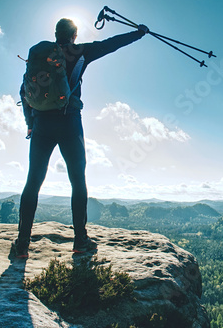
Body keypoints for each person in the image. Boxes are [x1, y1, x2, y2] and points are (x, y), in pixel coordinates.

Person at [13, 18, 148, 258]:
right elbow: (110, 44)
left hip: (42, 123)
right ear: (74, 35)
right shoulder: (79, 52)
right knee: (77, 180)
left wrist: (31, 124)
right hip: (69, 123)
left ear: (56, 34)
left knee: (33, 181)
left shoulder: (40, 57)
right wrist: (138, 34)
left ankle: (22, 244)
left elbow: (24, 91)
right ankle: (80, 240)